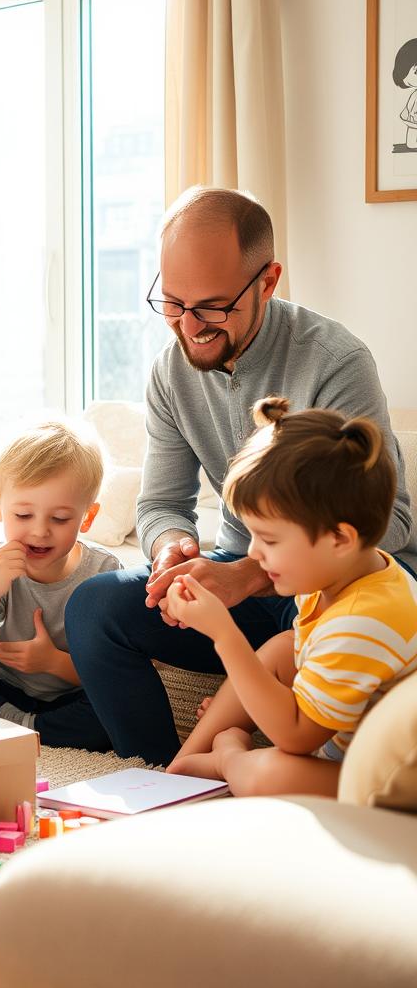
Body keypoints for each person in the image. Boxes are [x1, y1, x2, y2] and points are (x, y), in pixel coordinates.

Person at [65, 186, 417, 766]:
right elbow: (161, 505)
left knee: (307, 613)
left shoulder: (334, 361)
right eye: (172, 303)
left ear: (268, 281)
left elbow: (392, 521)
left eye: (211, 305)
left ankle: (285, 768)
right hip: (247, 572)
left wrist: (254, 574)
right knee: (94, 607)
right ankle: (159, 778)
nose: (188, 326)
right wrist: (170, 550)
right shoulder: (170, 374)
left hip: (330, 579)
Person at [164, 397, 417, 794]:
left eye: (268, 539)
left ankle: (226, 759)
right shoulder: (345, 574)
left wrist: (224, 635)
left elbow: (297, 737)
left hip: (386, 781)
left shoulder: (365, 620)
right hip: (344, 740)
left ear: (339, 538)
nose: (252, 553)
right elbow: (302, 666)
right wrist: (255, 693)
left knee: (272, 775)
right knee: (284, 647)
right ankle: (176, 774)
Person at [0, 422, 121, 749]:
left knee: (115, 703)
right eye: (23, 515)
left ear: (87, 517)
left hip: (69, 694)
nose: (40, 531)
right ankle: (24, 724)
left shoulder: (104, 571)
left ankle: (24, 727)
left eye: (59, 519)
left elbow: (108, 671)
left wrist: (52, 662)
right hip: (1, 685)